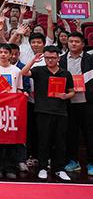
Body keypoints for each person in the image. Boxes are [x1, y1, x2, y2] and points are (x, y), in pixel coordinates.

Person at [20, 47, 75, 182]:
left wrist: (65, 96)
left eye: (53, 58)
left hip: (61, 112)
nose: (50, 60)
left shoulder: (65, 73)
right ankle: (43, 168)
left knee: (60, 142)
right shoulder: (39, 70)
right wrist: (33, 61)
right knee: (43, 141)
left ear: (58, 58)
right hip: (42, 111)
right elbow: (23, 72)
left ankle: (59, 169)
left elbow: (72, 91)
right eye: (47, 58)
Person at [0, 43, 23, 180]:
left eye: (6, 52)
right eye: (1, 52)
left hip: (12, 109)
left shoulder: (16, 70)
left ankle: (10, 167)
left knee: (12, 140)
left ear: (11, 55)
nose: (3, 54)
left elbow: (19, 89)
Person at [59, 31, 93, 176]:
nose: (73, 44)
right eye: (71, 41)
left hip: (87, 102)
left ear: (83, 44)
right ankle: (73, 161)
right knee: (70, 133)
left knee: (89, 133)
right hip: (68, 102)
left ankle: (91, 163)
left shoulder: (90, 59)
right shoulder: (61, 59)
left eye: (77, 42)